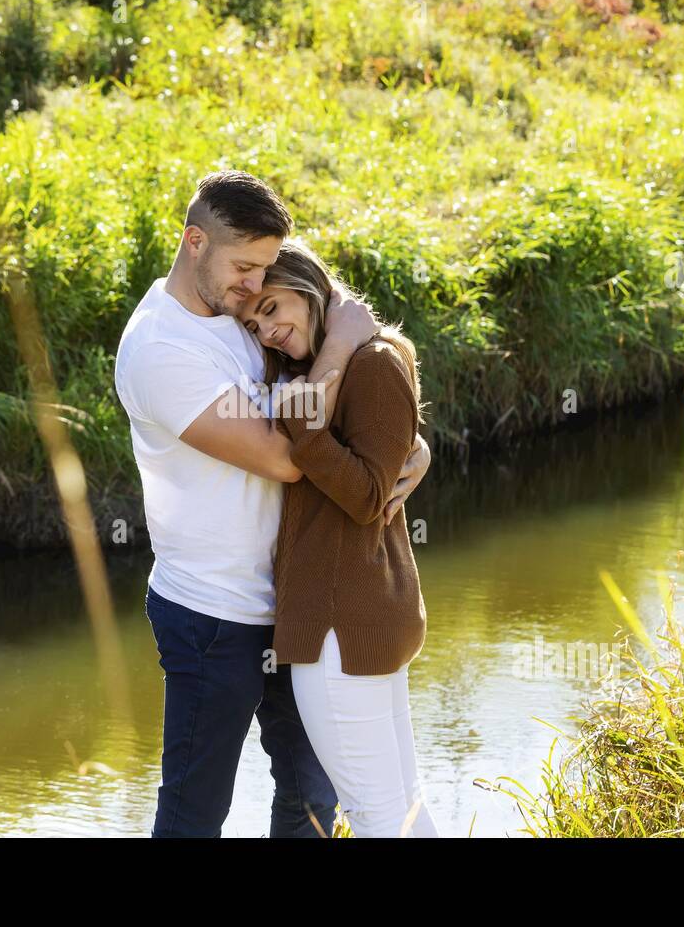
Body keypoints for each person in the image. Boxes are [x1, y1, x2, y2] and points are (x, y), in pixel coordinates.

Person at [114, 170, 431, 837]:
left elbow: (345, 401)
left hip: (303, 605)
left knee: (312, 802)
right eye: (243, 266)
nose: (255, 286)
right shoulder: (159, 350)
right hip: (214, 614)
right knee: (197, 810)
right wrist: (344, 343)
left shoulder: (244, 311)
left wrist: (413, 446)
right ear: (193, 242)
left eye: (264, 270)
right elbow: (290, 456)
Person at [235, 239, 440, 837]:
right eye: (254, 323)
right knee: (401, 810)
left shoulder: (371, 363)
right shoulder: (326, 370)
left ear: (307, 287)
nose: (267, 329)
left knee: (378, 816)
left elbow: (370, 497)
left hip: (340, 632)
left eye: (272, 308)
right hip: (356, 619)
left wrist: (309, 434)